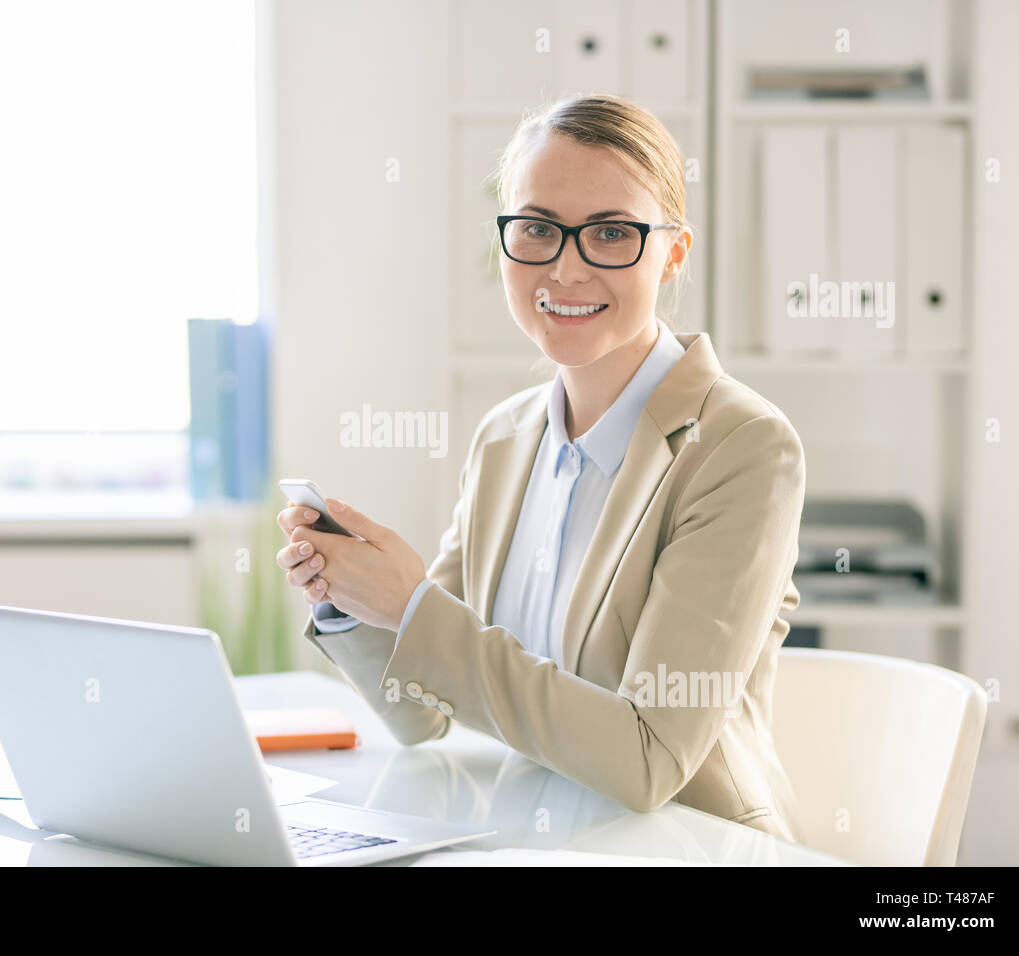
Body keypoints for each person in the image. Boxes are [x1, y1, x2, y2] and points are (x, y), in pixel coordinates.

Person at [276, 94, 805, 843]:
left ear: (673, 251)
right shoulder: (505, 438)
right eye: (536, 228)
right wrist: (352, 597)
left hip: (688, 844)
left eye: (613, 233)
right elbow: (424, 712)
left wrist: (414, 609)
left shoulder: (741, 446)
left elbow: (646, 760)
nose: (566, 265)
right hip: (530, 834)